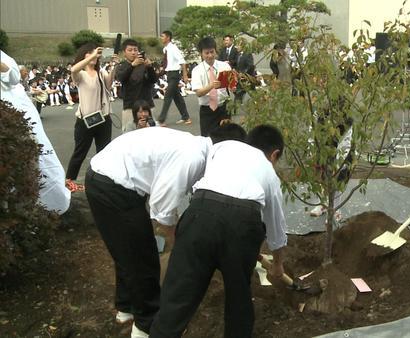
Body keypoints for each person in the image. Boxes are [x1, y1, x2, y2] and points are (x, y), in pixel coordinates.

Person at [85, 124, 247, 338]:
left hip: (105, 176)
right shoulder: (192, 157)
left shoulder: (196, 147)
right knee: (144, 258)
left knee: (127, 250)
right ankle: (146, 325)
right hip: (112, 186)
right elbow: (161, 208)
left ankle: (125, 308)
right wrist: (177, 241)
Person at [150, 125, 288, 338]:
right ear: (274, 154)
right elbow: (276, 229)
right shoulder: (269, 171)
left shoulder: (223, 148)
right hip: (242, 226)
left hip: (200, 214)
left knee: (177, 298)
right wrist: (277, 265)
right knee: (238, 298)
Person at [0, 50, 71, 214]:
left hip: (18, 118)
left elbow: (13, 77)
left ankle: (36, 207)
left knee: (35, 160)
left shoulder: (5, 59)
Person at [65, 43, 115, 192]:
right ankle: (69, 180)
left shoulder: (101, 73)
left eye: (96, 53)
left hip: (103, 118)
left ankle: (102, 180)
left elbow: (109, 84)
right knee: (80, 151)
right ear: (84, 55)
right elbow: (73, 69)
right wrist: (93, 55)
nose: (94, 56)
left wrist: (114, 66)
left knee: (104, 151)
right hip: (85, 119)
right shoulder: (81, 74)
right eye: (90, 53)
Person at [191, 36, 233, 136]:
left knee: (226, 138)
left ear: (216, 51)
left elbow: (230, 85)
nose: (210, 55)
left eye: (212, 52)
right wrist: (211, 85)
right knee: (208, 139)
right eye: (206, 53)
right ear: (201, 54)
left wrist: (233, 85)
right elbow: (199, 93)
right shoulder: (197, 70)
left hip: (224, 108)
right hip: (207, 110)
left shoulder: (225, 66)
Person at [115, 39, 158, 132]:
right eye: (130, 50)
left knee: (151, 134)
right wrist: (132, 66)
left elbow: (154, 80)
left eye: (135, 50)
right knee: (129, 135)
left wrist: (150, 68)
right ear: (124, 52)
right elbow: (121, 78)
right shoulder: (121, 66)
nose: (133, 53)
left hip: (147, 105)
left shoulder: (144, 64)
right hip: (130, 107)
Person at [157, 30, 191, 126]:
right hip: (169, 74)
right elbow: (167, 63)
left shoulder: (173, 48)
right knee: (177, 97)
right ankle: (186, 117)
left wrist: (185, 75)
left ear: (168, 37)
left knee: (167, 96)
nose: (161, 38)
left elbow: (182, 61)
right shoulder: (165, 49)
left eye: (163, 36)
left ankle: (161, 119)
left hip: (175, 74)